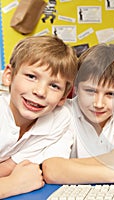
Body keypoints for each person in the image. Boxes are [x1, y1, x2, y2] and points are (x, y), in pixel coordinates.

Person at [42, 44, 114, 184]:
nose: (98, 103)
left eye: (110, 94)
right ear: (76, 88)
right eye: (90, 91)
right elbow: (52, 170)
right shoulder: (64, 112)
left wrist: (70, 167)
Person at [0, 35, 78, 197]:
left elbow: (8, 167)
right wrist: (13, 184)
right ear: (9, 76)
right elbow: (13, 177)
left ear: (63, 97)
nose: (40, 92)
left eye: (54, 86)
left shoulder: (58, 119)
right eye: (31, 76)